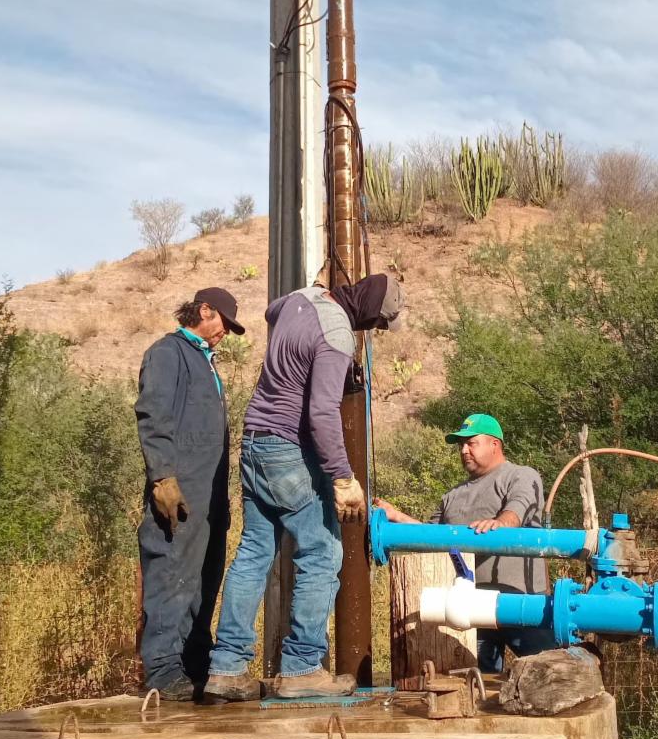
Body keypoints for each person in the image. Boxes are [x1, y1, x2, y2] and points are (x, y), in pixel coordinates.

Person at [206, 272, 404, 701]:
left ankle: (226, 667)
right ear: (369, 315)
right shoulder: (337, 334)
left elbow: (269, 311)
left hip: (254, 441)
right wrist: (343, 477)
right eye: (377, 324)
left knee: (254, 553)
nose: (372, 331)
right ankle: (301, 668)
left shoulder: (300, 298)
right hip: (286, 448)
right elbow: (321, 412)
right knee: (322, 553)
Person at [374, 412, 556, 672]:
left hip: (523, 604)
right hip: (473, 607)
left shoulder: (520, 475)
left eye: (472, 442)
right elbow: (429, 537)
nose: (464, 450)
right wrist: (396, 516)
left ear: (495, 444)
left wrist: (502, 523)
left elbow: (520, 505)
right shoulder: (452, 496)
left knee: (548, 673)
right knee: (478, 681)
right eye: (461, 445)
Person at [134, 286, 243, 700]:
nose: (225, 334)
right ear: (204, 310)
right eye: (223, 324)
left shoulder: (204, 361)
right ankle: (162, 671)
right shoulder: (168, 352)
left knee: (204, 577)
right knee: (171, 573)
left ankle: (195, 662)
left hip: (210, 495)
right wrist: (162, 477)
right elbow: (153, 414)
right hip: (179, 491)